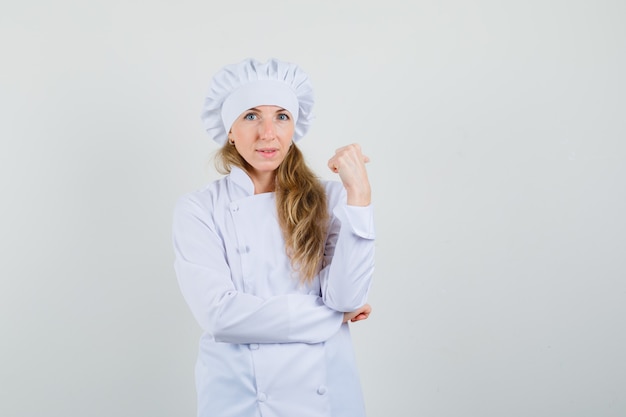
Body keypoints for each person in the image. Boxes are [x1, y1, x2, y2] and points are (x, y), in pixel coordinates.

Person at [172, 57, 375, 417]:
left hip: (325, 401)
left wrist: (359, 196)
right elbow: (222, 317)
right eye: (251, 116)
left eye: (282, 116)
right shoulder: (199, 209)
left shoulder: (330, 199)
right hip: (240, 400)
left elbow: (347, 296)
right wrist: (331, 318)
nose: (268, 133)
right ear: (229, 129)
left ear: (294, 127)